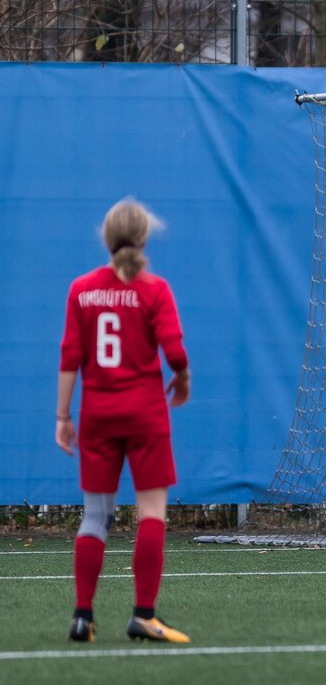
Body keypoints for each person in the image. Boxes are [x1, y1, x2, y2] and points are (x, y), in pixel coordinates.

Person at [57, 199, 192, 644]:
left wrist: (63, 415)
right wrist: (182, 378)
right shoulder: (154, 289)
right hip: (145, 414)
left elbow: (70, 358)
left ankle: (82, 616)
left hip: (97, 414)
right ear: (144, 237)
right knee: (152, 513)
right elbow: (173, 350)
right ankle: (144, 615)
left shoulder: (81, 289)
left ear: (106, 237)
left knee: (95, 516)